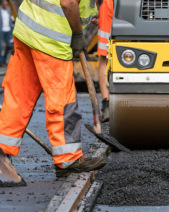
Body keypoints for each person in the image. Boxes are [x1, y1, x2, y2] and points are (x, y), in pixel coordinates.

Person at [0, 0, 106, 177]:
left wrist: (94, 9)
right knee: (62, 101)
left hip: (26, 32)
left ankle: (2, 149)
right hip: (51, 41)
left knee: (18, 97)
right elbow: (68, 3)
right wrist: (78, 34)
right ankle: (68, 158)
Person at [96, 0, 113, 122]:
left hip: (108, 7)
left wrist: (96, 9)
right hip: (134, 8)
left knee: (104, 58)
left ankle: (106, 105)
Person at [0, 0, 13, 66]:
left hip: (8, 30)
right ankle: (1, 61)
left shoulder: (8, 10)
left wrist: (12, 26)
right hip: (1, 30)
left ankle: (4, 60)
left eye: (6, 5)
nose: (6, 6)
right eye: (5, 5)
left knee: (9, 45)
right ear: (2, 5)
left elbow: (10, 19)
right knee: (1, 46)